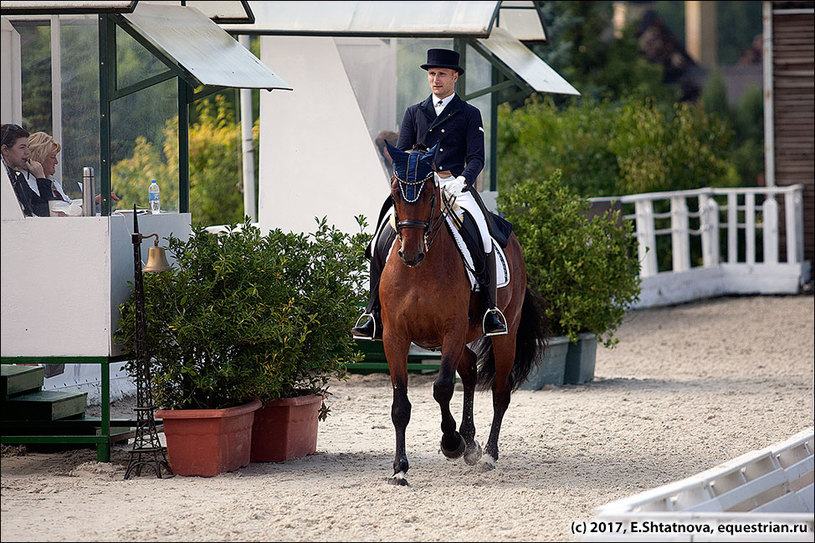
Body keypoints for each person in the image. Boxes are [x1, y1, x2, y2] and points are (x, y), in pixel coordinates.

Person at [351, 48, 507, 340]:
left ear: (455, 77)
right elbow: (404, 153)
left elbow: (476, 158)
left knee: (484, 235)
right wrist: (406, 177)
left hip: (454, 185)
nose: (436, 79)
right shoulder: (414, 112)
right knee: (377, 241)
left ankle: (489, 310)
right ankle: (372, 313)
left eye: (442, 74)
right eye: (432, 74)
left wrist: (464, 180)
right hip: (419, 187)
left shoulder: (469, 114)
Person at [1, 123, 57, 217]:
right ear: (5, 150)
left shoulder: (17, 177)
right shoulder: (6, 180)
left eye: (28, 147)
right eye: (22, 147)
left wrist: (41, 178)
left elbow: (44, 211)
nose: (28, 152)